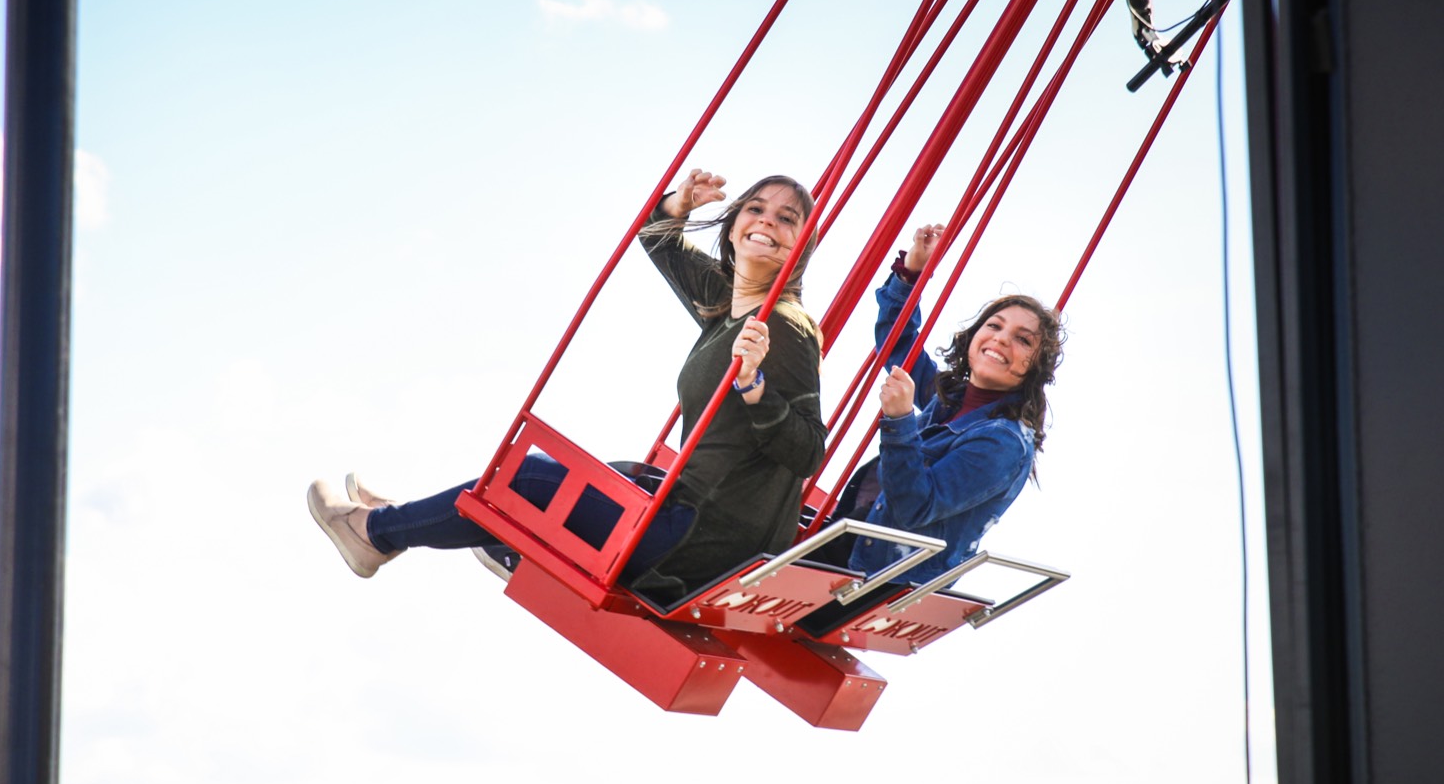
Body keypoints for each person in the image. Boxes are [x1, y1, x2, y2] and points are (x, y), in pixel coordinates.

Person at [307, 168, 827, 606]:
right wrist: (681, 202)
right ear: (734, 224)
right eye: (755, 209)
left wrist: (754, 385)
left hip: (701, 542)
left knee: (527, 480)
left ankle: (375, 532)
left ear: (803, 245)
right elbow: (655, 236)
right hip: (691, 520)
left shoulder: (783, 326)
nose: (767, 223)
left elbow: (808, 451)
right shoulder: (726, 304)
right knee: (562, 479)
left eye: (787, 219)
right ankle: (404, 520)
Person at [834, 223, 1065, 586]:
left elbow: (916, 507)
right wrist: (911, 273)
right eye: (994, 326)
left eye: (1022, 340)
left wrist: (898, 422)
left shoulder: (1002, 442)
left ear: (1036, 366)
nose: (1001, 340)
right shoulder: (951, 398)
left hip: (885, 581)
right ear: (974, 336)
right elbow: (898, 345)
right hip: (859, 546)